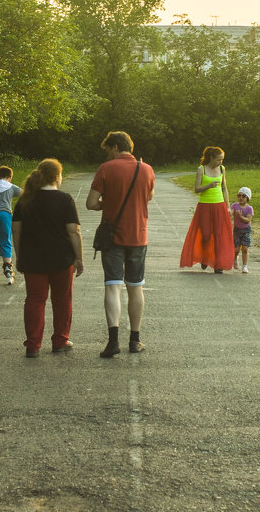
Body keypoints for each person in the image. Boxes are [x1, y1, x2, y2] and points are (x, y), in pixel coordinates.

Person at [86, 131, 155, 358]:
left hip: (113, 237)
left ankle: (113, 341)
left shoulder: (106, 169)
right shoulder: (146, 169)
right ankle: (135, 340)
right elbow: (149, 196)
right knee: (135, 287)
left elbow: (91, 203)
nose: (107, 156)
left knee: (112, 286)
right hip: (138, 236)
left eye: (108, 151)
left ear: (115, 147)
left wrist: (108, 203)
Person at [12, 159, 83, 358]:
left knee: (35, 300)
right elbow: (74, 231)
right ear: (57, 176)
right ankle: (60, 341)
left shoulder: (25, 200)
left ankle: (33, 345)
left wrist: (20, 255)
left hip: (33, 260)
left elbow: (16, 230)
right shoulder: (65, 199)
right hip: (61, 259)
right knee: (62, 300)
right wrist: (79, 258)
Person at [179, 146, 234, 274]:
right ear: (211, 158)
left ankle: (218, 265)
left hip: (219, 205)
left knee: (219, 235)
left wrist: (228, 206)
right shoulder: (201, 169)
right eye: (219, 159)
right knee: (206, 235)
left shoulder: (222, 169)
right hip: (204, 206)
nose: (221, 162)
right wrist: (209, 185)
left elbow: (224, 188)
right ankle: (204, 258)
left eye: (222, 160)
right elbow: (196, 189)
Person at [231, 187, 254, 274]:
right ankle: (235, 258)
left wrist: (240, 216)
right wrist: (228, 212)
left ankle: (245, 266)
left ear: (247, 198)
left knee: (244, 249)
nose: (240, 198)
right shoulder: (235, 205)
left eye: (243, 196)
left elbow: (248, 220)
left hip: (246, 230)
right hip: (237, 230)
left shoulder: (249, 208)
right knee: (236, 249)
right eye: (239, 195)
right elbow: (230, 212)